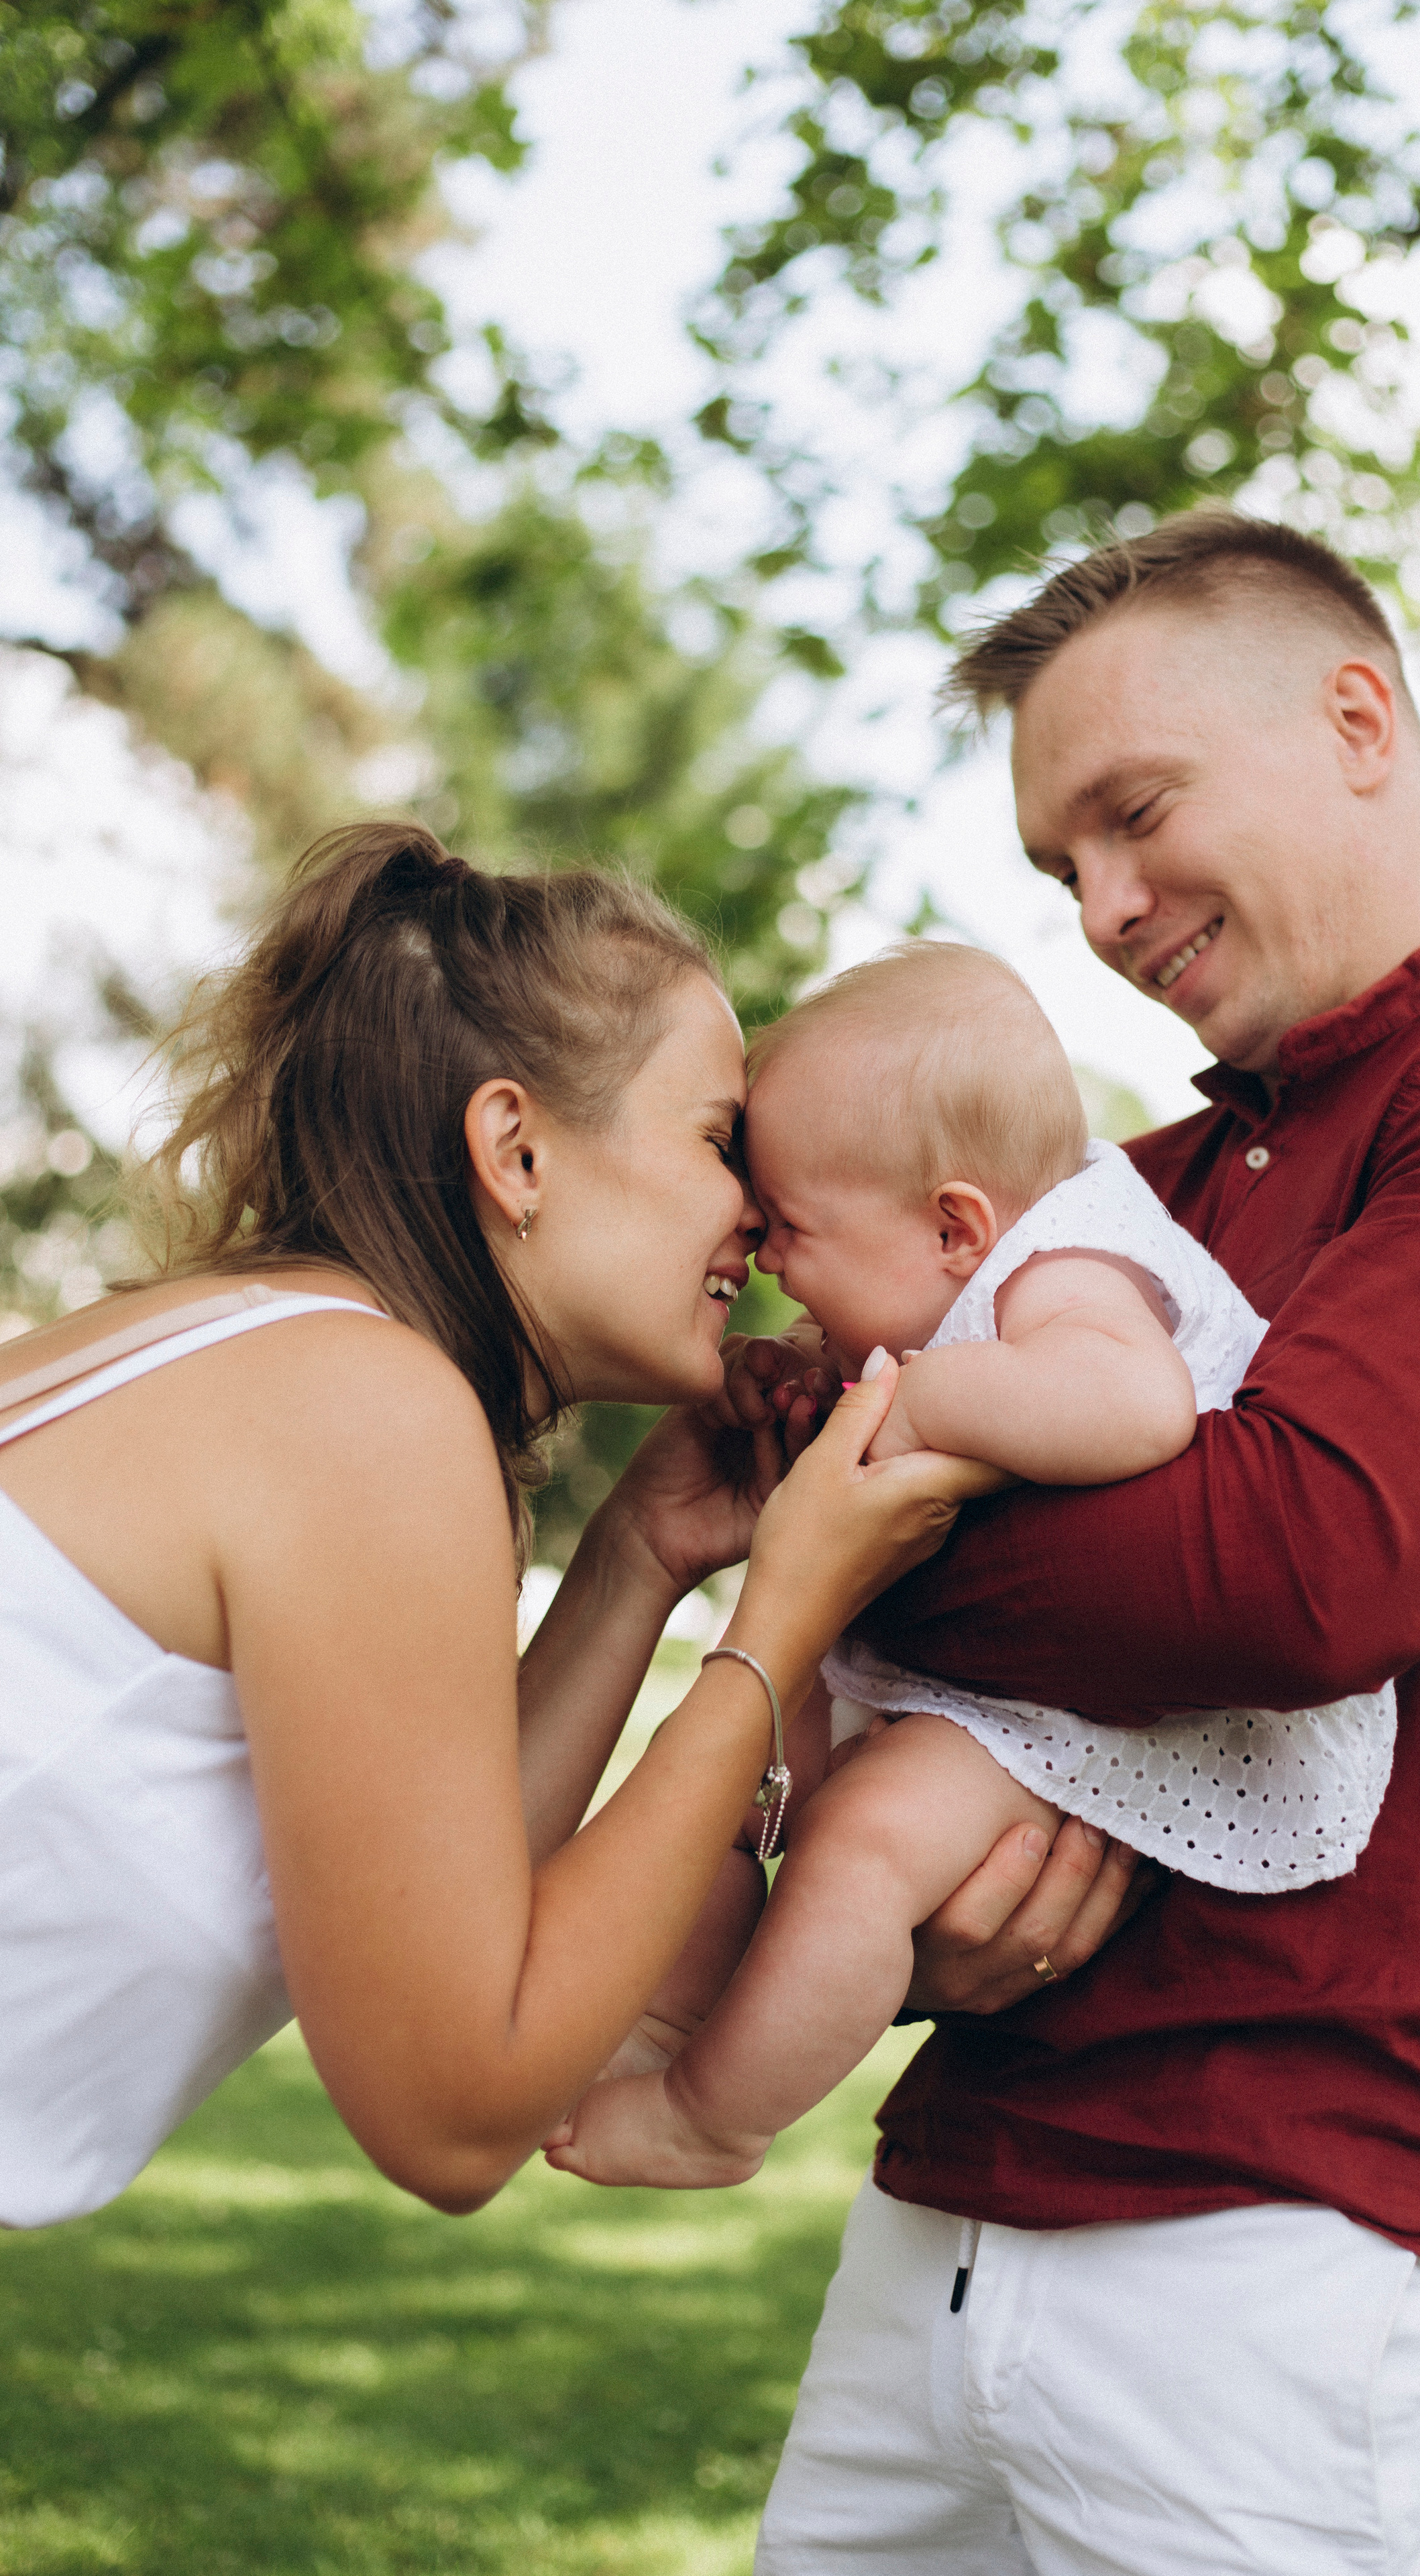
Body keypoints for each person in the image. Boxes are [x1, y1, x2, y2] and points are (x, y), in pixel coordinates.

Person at [741, 512, 1420, 2576]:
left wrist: (822, 1545)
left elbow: (1294, 1576)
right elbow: (800, 1447)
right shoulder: (1138, 1187)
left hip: (1325, 2247)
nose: (1100, 907)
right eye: (1054, 867)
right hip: (956, 2214)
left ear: (1360, 721)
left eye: (1136, 811)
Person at [0, 822, 1000, 2232]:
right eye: (722, 1141)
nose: (763, 1221)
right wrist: (778, 1624)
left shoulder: (237, 1344)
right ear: (516, 1149)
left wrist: (637, 1562)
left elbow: (450, 1932)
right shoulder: (371, 1411)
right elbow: (457, 2109)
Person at [552, 941, 1395, 2191]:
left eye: (791, 1229)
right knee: (735, 1784)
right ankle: (666, 2026)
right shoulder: (943, 1282)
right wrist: (809, 1390)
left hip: (1107, 1715)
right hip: (983, 1675)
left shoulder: (1072, 1271)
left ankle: (716, 2118)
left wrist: (904, 1403)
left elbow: (1136, 1409)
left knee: (859, 1843)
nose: (768, 1259)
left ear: (957, 1226)